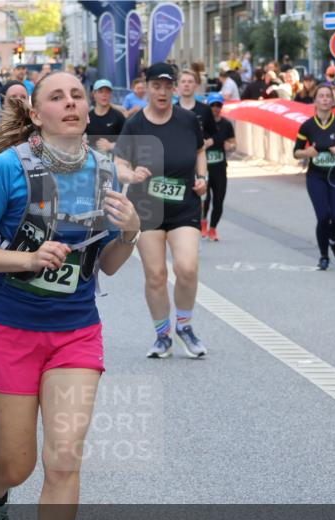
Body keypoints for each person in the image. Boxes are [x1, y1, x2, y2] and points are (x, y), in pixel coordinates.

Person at [0, 71, 140, 520]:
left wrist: (130, 233)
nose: (71, 103)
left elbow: (108, 265)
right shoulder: (9, 169)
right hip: (9, 328)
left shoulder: (106, 171)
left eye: (77, 95)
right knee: (18, 464)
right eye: (57, 97)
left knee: (63, 459)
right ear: (36, 114)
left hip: (76, 330)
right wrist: (27, 259)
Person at [114, 62, 208, 359]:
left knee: (187, 268)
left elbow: (200, 150)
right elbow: (119, 162)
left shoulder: (188, 119)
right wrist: (130, 175)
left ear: (175, 88)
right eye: (157, 86)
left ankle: (184, 326)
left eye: (168, 86)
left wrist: (202, 177)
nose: (163, 92)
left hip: (184, 206)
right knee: (155, 274)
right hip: (147, 208)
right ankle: (162, 335)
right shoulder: (135, 124)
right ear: (147, 88)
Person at [293, 84, 335, 270]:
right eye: (321, 96)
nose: (324, 99)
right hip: (316, 177)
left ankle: (332, 240)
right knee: (323, 217)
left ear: (332, 100)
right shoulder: (307, 126)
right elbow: (296, 152)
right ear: (315, 100)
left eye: (327, 96)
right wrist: (307, 153)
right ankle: (324, 256)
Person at [176, 69, 217, 236]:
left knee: (201, 195)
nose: (186, 85)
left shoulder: (205, 110)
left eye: (190, 82)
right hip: (177, 162)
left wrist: (208, 142)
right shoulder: (171, 109)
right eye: (183, 81)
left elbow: (214, 134)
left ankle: (197, 226)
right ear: (177, 86)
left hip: (200, 159)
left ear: (196, 86)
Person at [203, 93, 234, 242]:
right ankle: (203, 222)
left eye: (218, 105)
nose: (215, 108)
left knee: (218, 200)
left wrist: (230, 145)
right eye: (212, 105)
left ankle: (213, 228)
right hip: (204, 167)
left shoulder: (226, 124)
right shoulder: (202, 124)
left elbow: (233, 142)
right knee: (205, 198)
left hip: (220, 168)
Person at [85, 78, 125, 158]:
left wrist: (111, 145)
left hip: (113, 159)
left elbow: (129, 142)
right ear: (94, 94)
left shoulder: (118, 116)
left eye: (107, 92)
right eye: (101, 92)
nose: (104, 95)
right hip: (91, 159)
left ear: (111, 95)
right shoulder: (87, 117)